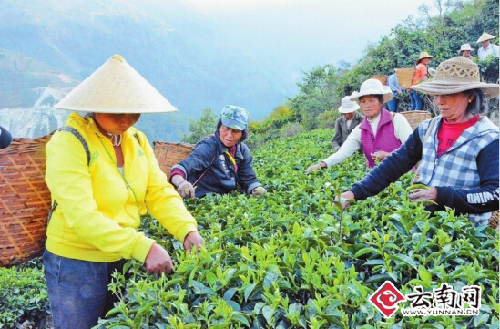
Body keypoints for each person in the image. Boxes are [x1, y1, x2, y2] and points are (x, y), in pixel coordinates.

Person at [44, 55, 204, 329]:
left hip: (120, 257)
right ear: (95, 106)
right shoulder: (68, 142)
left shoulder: (137, 141)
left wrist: (187, 229)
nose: (127, 120)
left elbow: (158, 191)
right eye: (118, 112)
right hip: (76, 263)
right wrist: (143, 247)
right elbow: (82, 216)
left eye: (134, 112)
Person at [340, 57, 499, 227]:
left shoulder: (487, 138)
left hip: (467, 236)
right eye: (437, 94)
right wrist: (355, 192)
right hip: (425, 230)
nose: (439, 101)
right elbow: (395, 163)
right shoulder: (427, 128)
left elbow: (495, 195)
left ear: (470, 97)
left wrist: (440, 195)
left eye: (448, 94)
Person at [305, 78, 413, 173]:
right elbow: (344, 151)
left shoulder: (396, 120)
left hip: (403, 177)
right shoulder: (361, 129)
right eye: (363, 101)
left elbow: (414, 151)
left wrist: (388, 156)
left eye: (371, 100)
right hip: (377, 182)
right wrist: (322, 164)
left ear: (381, 101)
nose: (367, 106)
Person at [169, 105, 266, 199]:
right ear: (219, 127)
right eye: (226, 128)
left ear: (242, 133)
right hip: (197, 201)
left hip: (222, 203)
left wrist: (256, 188)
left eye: (235, 131)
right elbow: (181, 168)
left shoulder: (242, 151)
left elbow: (248, 178)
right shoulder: (208, 146)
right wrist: (181, 182)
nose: (229, 135)